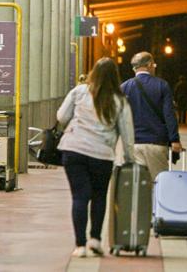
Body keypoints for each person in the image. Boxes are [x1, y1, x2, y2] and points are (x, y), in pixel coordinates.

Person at [57, 57, 136, 257]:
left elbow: (61, 116)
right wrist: (129, 158)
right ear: (115, 77)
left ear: (93, 73)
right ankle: (95, 240)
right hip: (102, 155)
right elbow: (127, 135)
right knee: (99, 196)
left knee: (79, 196)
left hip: (74, 151)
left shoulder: (80, 91)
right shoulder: (120, 101)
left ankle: (80, 246)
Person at [121, 51, 183, 179]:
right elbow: (169, 115)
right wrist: (175, 140)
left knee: (138, 186)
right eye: (154, 65)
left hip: (133, 144)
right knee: (158, 184)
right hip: (156, 144)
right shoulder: (162, 85)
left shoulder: (125, 87)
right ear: (149, 64)